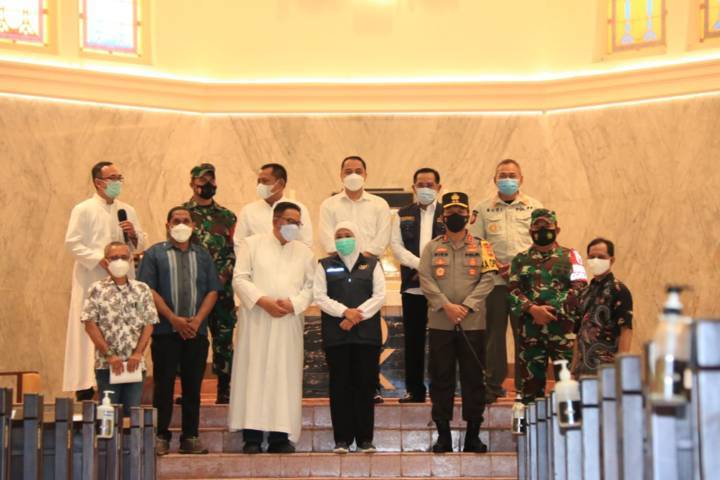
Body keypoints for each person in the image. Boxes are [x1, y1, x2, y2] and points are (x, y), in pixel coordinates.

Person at [229, 202, 315, 454]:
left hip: (288, 322)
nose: (293, 226)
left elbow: (311, 287)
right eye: (289, 221)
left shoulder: (305, 252)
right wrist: (263, 301)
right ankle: (252, 437)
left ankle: (279, 436)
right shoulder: (252, 244)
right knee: (253, 374)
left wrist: (294, 303)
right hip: (257, 319)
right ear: (275, 220)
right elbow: (240, 278)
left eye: (297, 222)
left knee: (283, 377)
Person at [419, 192, 498, 453]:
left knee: (473, 379)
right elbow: (426, 279)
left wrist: (465, 306)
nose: (455, 216)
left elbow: (488, 279)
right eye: (451, 212)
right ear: (443, 216)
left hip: (472, 323)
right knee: (441, 379)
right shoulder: (431, 247)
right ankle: (443, 436)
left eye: (460, 212)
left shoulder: (483, 246)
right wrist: (446, 305)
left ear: (469, 216)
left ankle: (472, 436)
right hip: (441, 322)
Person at [138, 207, 221, 456]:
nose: (181, 224)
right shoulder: (154, 254)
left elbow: (212, 291)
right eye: (177, 220)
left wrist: (196, 322)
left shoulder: (203, 255)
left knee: (192, 387)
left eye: (186, 221)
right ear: (167, 224)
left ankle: (190, 437)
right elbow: (148, 290)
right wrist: (173, 319)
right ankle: (161, 435)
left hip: (196, 332)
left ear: (193, 226)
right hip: (165, 331)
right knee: (163, 385)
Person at [64, 161, 146, 401]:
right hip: (92, 278)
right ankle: (86, 383)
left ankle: (123, 378)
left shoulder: (127, 209)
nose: (118, 182)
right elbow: (73, 243)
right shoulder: (84, 209)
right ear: (99, 182)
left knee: (123, 327)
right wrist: (99, 259)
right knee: (90, 327)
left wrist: (133, 234)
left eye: (120, 177)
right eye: (113, 178)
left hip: (122, 282)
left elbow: (140, 244)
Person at [318, 155, 392, 402]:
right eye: (348, 170)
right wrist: (347, 257)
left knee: (369, 334)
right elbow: (328, 240)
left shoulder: (379, 204)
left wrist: (363, 262)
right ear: (340, 174)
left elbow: (382, 238)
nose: (353, 174)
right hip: (337, 271)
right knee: (341, 335)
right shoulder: (329, 205)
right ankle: (347, 391)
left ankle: (372, 387)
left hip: (368, 272)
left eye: (358, 170)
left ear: (365, 174)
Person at [470, 158, 543, 402]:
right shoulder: (482, 209)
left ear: (521, 179)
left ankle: (526, 386)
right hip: (495, 284)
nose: (508, 179)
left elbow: (540, 243)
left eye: (512, 175)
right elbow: (477, 244)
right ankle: (492, 386)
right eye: (503, 175)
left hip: (526, 286)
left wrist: (516, 267)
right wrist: (497, 267)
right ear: (495, 180)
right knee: (494, 338)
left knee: (525, 335)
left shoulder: (535, 208)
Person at [314, 221, 386, 453]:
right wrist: (345, 312)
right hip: (337, 336)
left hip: (366, 337)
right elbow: (320, 297)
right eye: (339, 235)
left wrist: (355, 316)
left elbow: (379, 296)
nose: (343, 239)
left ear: (356, 238)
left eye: (348, 234)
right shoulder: (324, 264)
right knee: (340, 387)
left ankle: (365, 439)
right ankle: (342, 440)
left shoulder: (372, 264)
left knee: (365, 386)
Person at [507, 208, 588, 404]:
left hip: (563, 331)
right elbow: (512, 292)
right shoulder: (520, 259)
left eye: (547, 226)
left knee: (568, 385)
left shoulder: (572, 256)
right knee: (530, 390)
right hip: (531, 332)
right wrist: (533, 309)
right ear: (530, 231)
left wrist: (551, 309)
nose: (542, 230)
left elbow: (580, 287)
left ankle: (569, 431)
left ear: (557, 229)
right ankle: (530, 432)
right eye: (538, 226)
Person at [81, 242, 158, 417]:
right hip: (107, 365)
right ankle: (108, 445)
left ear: (130, 260)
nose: (119, 261)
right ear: (106, 261)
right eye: (114, 258)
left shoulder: (142, 289)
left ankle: (132, 445)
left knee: (133, 414)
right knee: (108, 416)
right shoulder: (97, 289)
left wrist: (138, 353)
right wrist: (109, 355)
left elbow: (149, 323)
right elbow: (90, 324)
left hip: (134, 365)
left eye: (124, 257)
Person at [183, 163, 238, 404]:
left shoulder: (227, 216)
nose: (207, 185)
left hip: (222, 290)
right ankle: (189, 391)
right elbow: (178, 251)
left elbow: (234, 251)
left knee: (223, 341)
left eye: (211, 180)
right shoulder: (182, 215)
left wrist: (221, 278)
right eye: (202, 181)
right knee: (191, 341)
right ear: (192, 183)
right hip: (193, 291)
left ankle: (224, 390)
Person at [390, 167, 445, 403]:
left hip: (443, 288)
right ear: (413, 188)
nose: (425, 189)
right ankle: (415, 390)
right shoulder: (402, 214)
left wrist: (431, 267)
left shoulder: (448, 214)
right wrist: (423, 265)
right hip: (413, 286)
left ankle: (440, 389)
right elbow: (396, 247)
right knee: (413, 340)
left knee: (441, 340)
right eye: (420, 185)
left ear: (439, 188)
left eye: (430, 185)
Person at [572, 237, 633, 376]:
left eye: (601, 257)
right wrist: (573, 370)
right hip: (582, 370)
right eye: (592, 257)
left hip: (607, 371)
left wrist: (621, 369)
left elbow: (626, 330)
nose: (596, 260)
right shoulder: (584, 292)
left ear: (611, 260)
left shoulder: (619, 290)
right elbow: (578, 334)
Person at [234, 163, 313, 247]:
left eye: (265, 181)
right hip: (256, 259)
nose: (260, 185)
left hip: (291, 259)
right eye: (258, 181)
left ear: (280, 183)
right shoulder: (248, 211)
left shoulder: (299, 209)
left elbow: (306, 243)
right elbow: (239, 243)